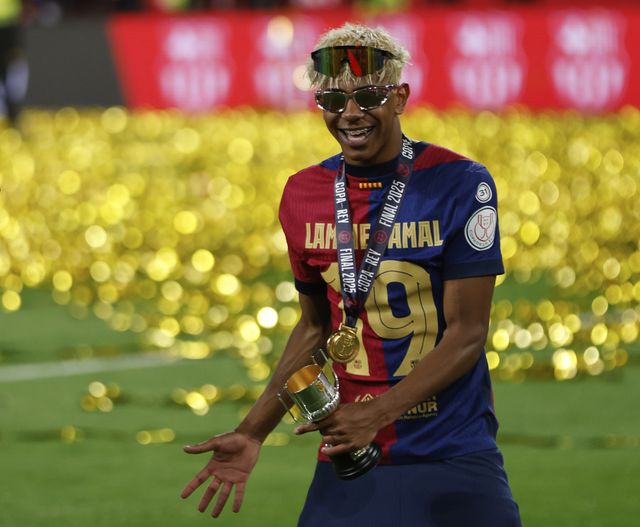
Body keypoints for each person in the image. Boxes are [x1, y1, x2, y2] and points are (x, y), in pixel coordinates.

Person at [181, 22, 522, 526]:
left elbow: (468, 333)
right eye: (333, 102)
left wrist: (378, 413)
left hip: (451, 449)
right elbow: (317, 328)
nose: (351, 114)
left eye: (368, 96)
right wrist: (254, 430)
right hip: (351, 456)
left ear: (400, 97)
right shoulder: (304, 193)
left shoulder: (460, 183)